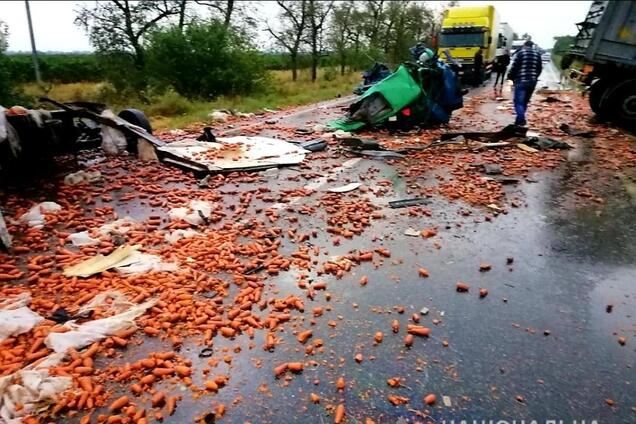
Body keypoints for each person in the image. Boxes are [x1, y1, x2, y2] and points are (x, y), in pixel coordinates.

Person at [507, 40, 542, 126]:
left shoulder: (521, 53)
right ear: (532, 46)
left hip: (521, 80)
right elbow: (539, 68)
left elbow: (514, 67)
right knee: (525, 102)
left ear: (524, 45)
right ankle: (518, 121)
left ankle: (521, 120)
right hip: (532, 82)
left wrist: (510, 77)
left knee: (518, 102)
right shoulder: (537, 54)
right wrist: (535, 77)